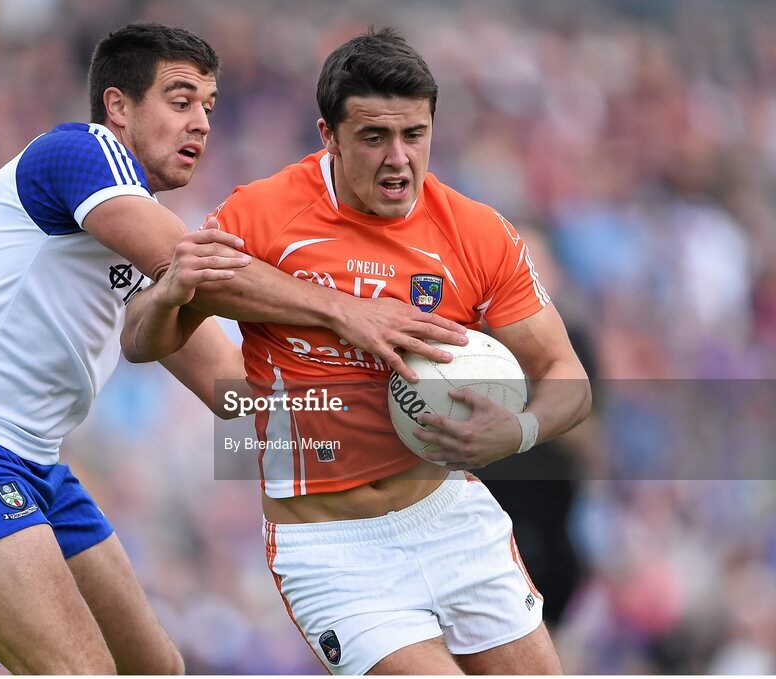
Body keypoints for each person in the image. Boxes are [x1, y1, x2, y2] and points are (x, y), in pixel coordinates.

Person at [0, 23, 466, 675]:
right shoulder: (80, 153)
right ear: (118, 106)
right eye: (180, 102)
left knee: (158, 667)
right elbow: (205, 268)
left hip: (32, 464)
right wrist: (348, 310)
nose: (201, 124)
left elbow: (231, 388)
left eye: (208, 107)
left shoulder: (128, 234)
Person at [136, 28, 592, 674]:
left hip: (450, 517)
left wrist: (518, 429)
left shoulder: (477, 233)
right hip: (332, 547)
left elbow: (567, 376)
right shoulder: (261, 218)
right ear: (328, 135)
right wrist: (167, 297)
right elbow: (143, 339)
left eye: (415, 134)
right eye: (375, 137)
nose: (399, 159)